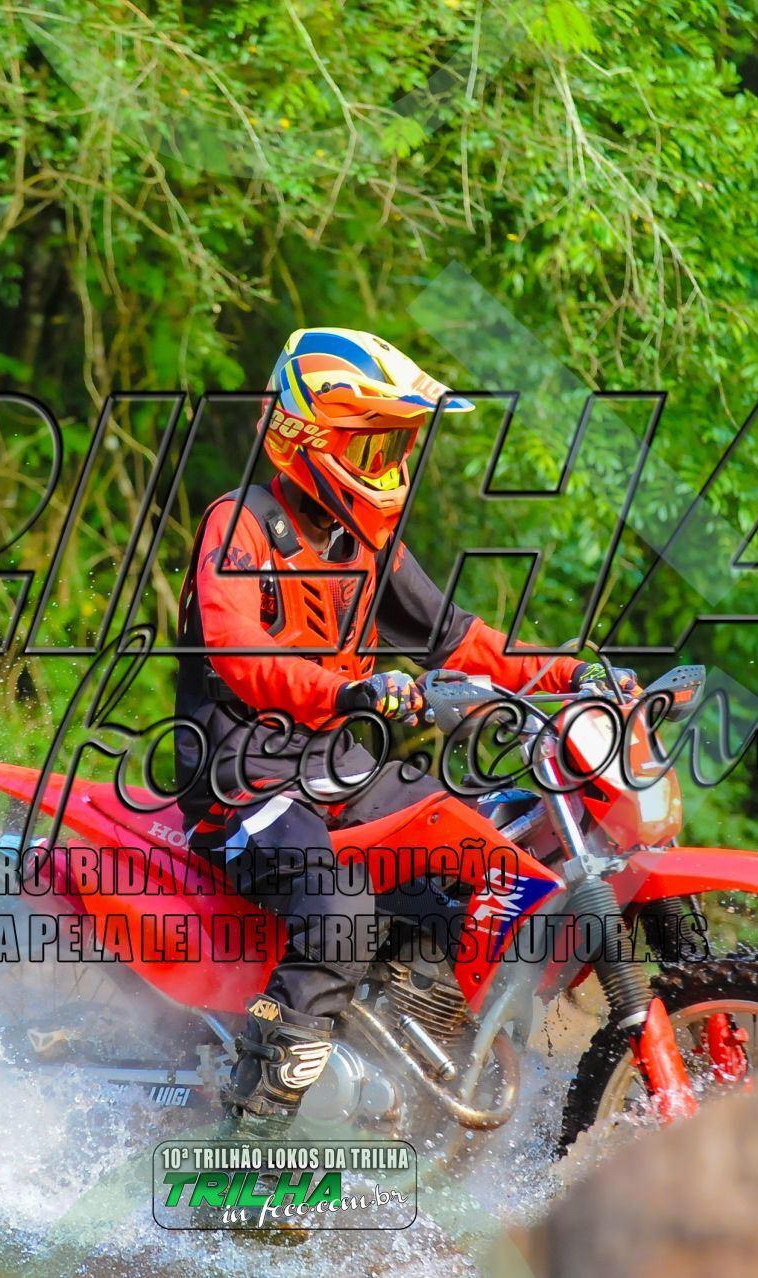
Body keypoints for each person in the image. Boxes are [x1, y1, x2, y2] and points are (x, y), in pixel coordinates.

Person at [173, 326, 635, 1131]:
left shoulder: (365, 542)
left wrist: (572, 673)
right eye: (373, 445)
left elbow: (461, 638)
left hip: (337, 767)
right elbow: (238, 651)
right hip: (245, 780)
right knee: (340, 916)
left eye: (395, 446)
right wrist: (350, 692)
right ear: (310, 438)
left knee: (480, 864)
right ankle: (251, 1133)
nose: (388, 466)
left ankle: (420, 1076)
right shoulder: (240, 524)